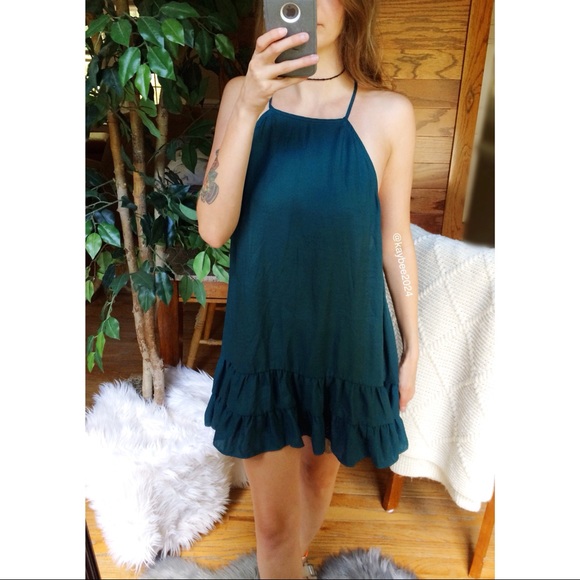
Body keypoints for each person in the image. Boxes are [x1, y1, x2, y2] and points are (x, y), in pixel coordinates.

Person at [197, 1, 419, 577]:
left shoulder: (389, 113)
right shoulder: (242, 98)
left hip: (346, 343)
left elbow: (395, 237)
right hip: (265, 342)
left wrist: (413, 344)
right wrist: (249, 106)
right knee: (272, 527)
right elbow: (213, 228)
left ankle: (294, 566)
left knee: (317, 483)